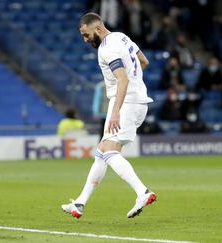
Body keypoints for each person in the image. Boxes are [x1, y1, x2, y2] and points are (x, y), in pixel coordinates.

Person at [62, 13, 156, 219]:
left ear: (97, 28)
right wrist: (133, 81)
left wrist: (114, 112)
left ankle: (142, 192)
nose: (85, 40)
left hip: (125, 103)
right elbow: (144, 61)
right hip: (138, 100)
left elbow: (122, 80)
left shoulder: (106, 48)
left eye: (86, 35)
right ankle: (80, 203)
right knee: (102, 152)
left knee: (110, 152)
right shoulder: (122, 37)